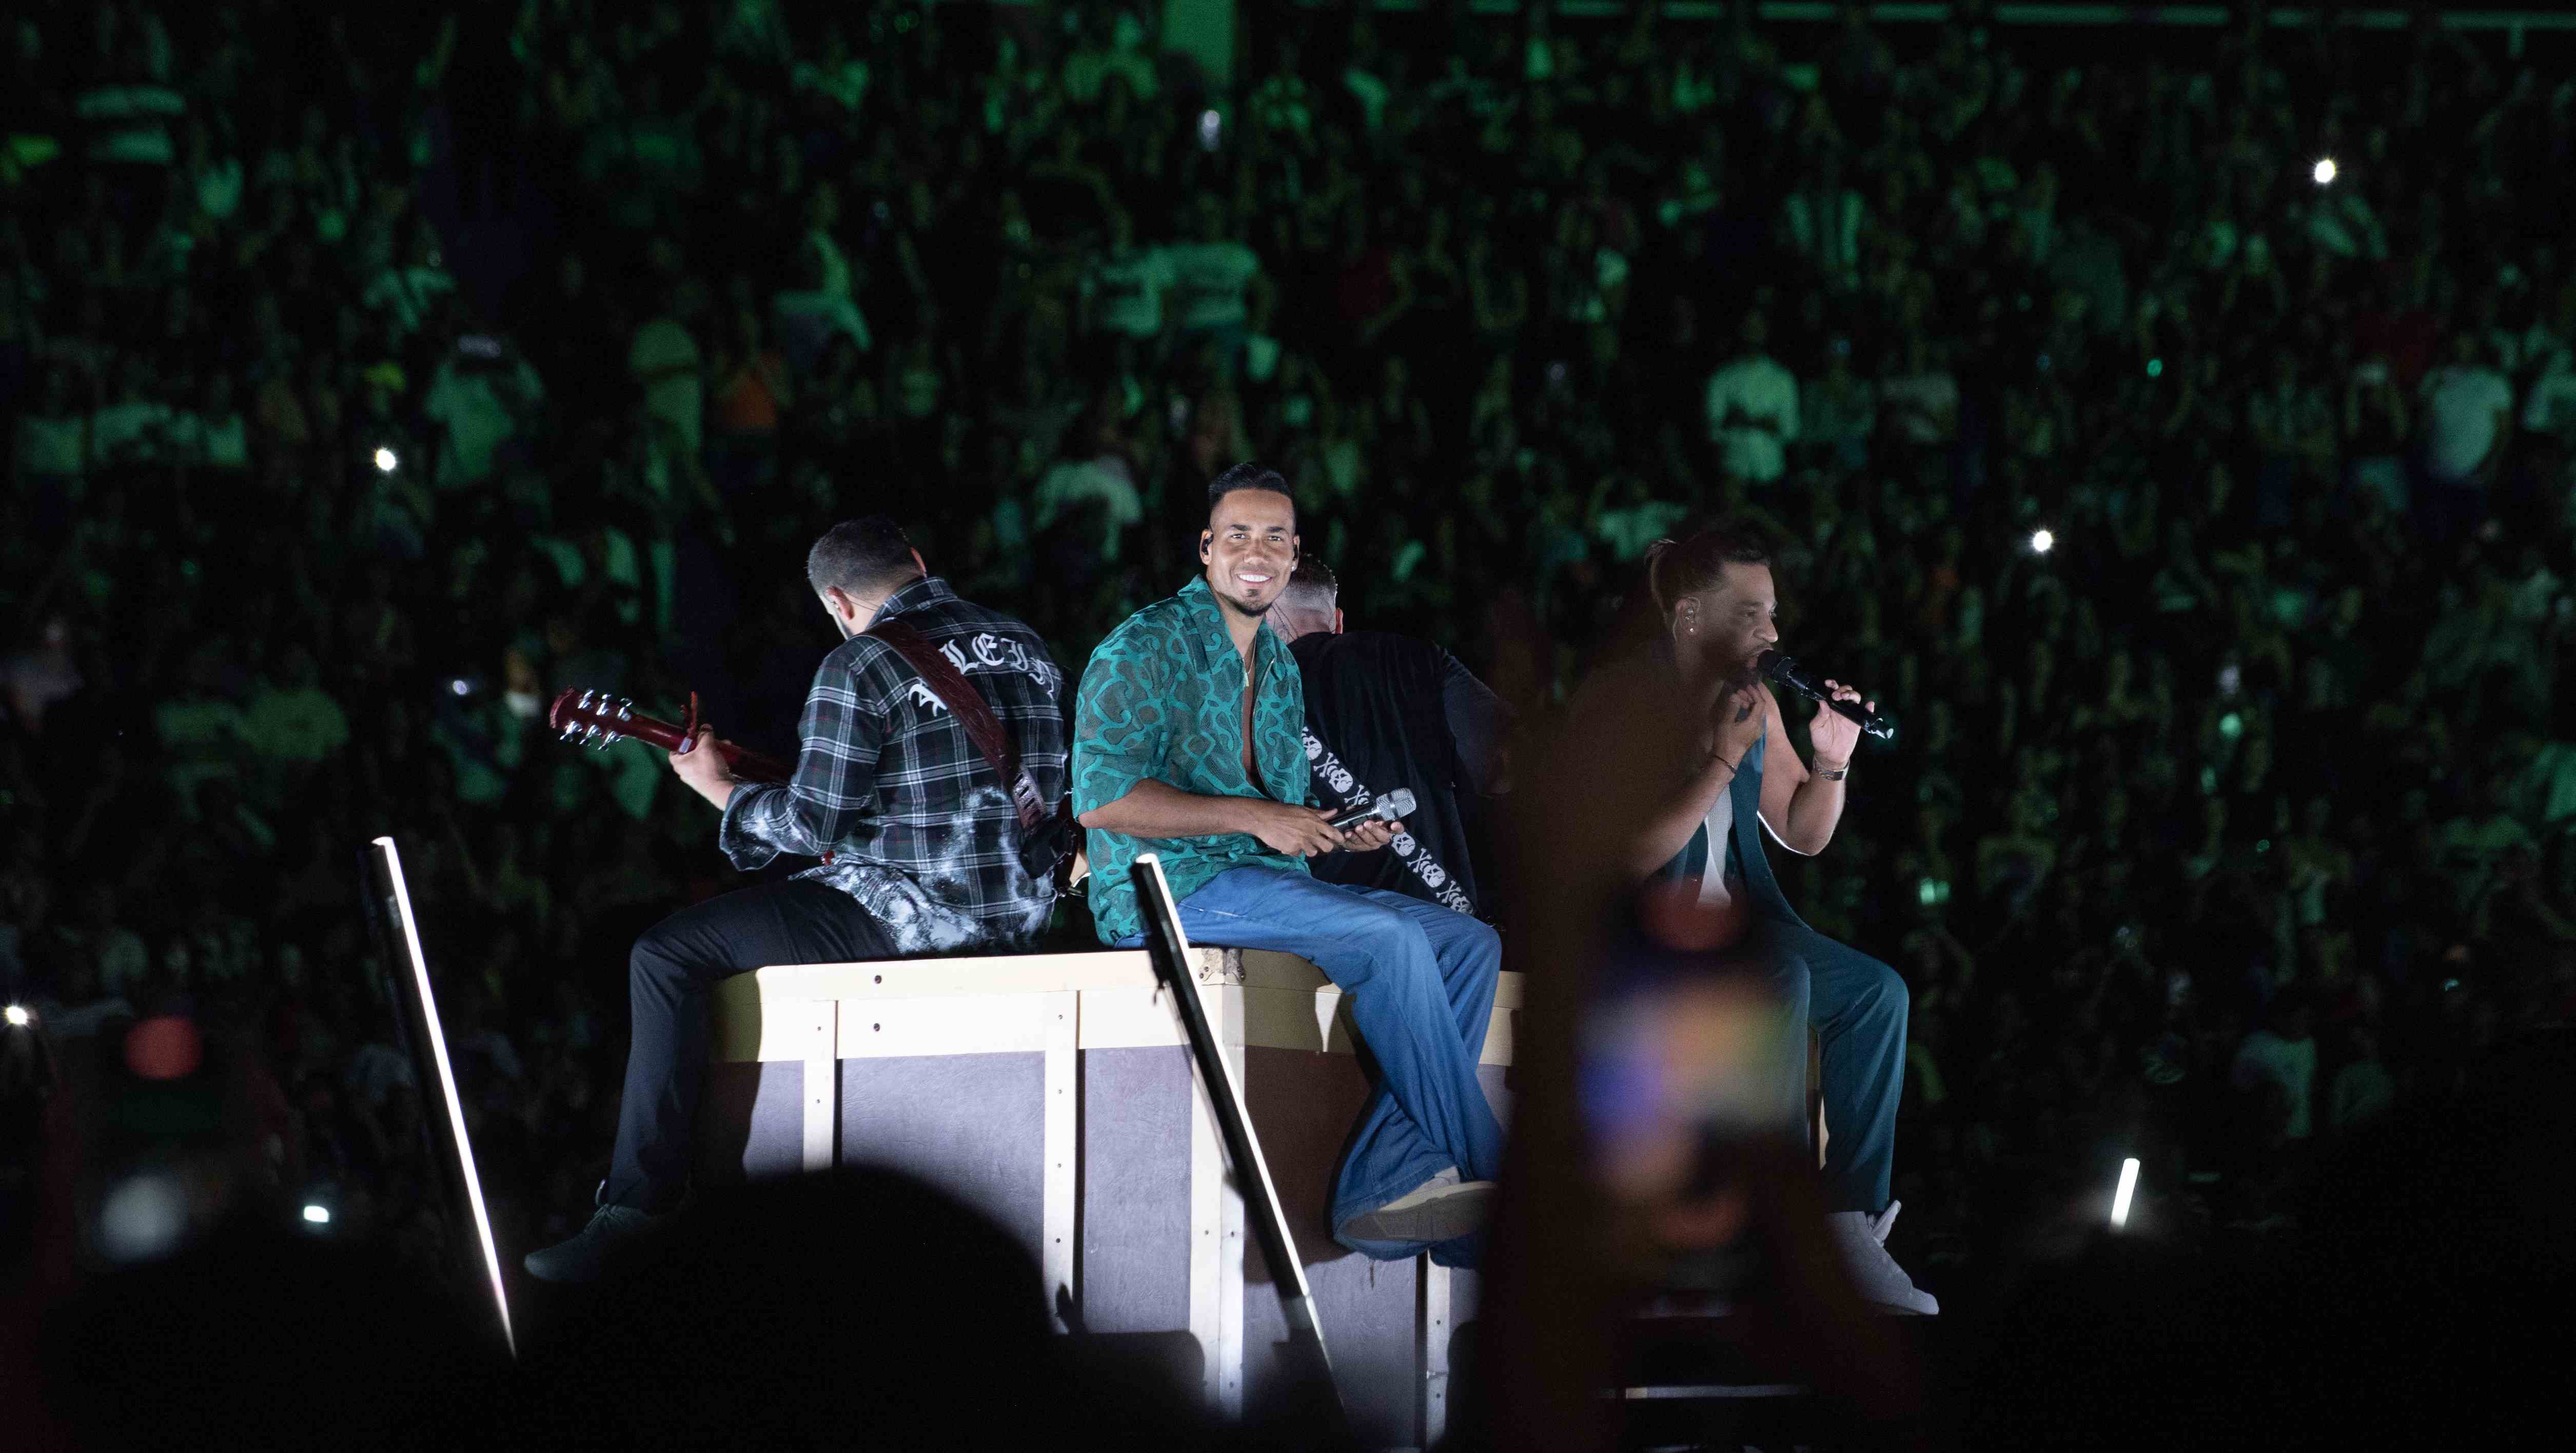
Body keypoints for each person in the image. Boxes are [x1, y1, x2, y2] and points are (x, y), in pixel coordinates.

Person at [526, 517, 1070, 1281]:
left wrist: (719, 791)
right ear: (917, 563)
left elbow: (814, 821)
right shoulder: (1026, 645)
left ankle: (636, 1209)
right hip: (1024, 917)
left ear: (839, 601)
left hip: (911, 916)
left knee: (666, 955)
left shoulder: (861, 663)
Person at [1072, 464, 1505, 1262]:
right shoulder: (1145, 645)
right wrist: (1257, 818)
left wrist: (1334, 834)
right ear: (1207, 549)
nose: (1257, 551)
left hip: (1258, 882)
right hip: (1168, 891)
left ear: (1294, 550)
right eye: (1237, 534)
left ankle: (1384, 1179)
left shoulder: (1277, 669)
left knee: (1468, 943)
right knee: (1388, 939)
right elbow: (1100, 799)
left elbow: (1276, 814)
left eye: (1275, 536)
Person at [1571, 520, 1936, 1313]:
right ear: (1692, 618)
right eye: (1752, 614)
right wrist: (1720, 758)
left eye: (1774, 614)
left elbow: (1803, 832)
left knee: (1878, 993)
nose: (1773, 633)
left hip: (1738, 923)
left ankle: (1848, 1225)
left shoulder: (1754, 700)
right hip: (1639, 930)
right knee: (1778, 975)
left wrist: (1833, 756)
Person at [1269, 559, 1509, 920]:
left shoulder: (1241, 697)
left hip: (1310, 943)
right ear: (1337, 621)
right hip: (1444, 928)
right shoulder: (1420, 659)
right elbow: (1508, 765)